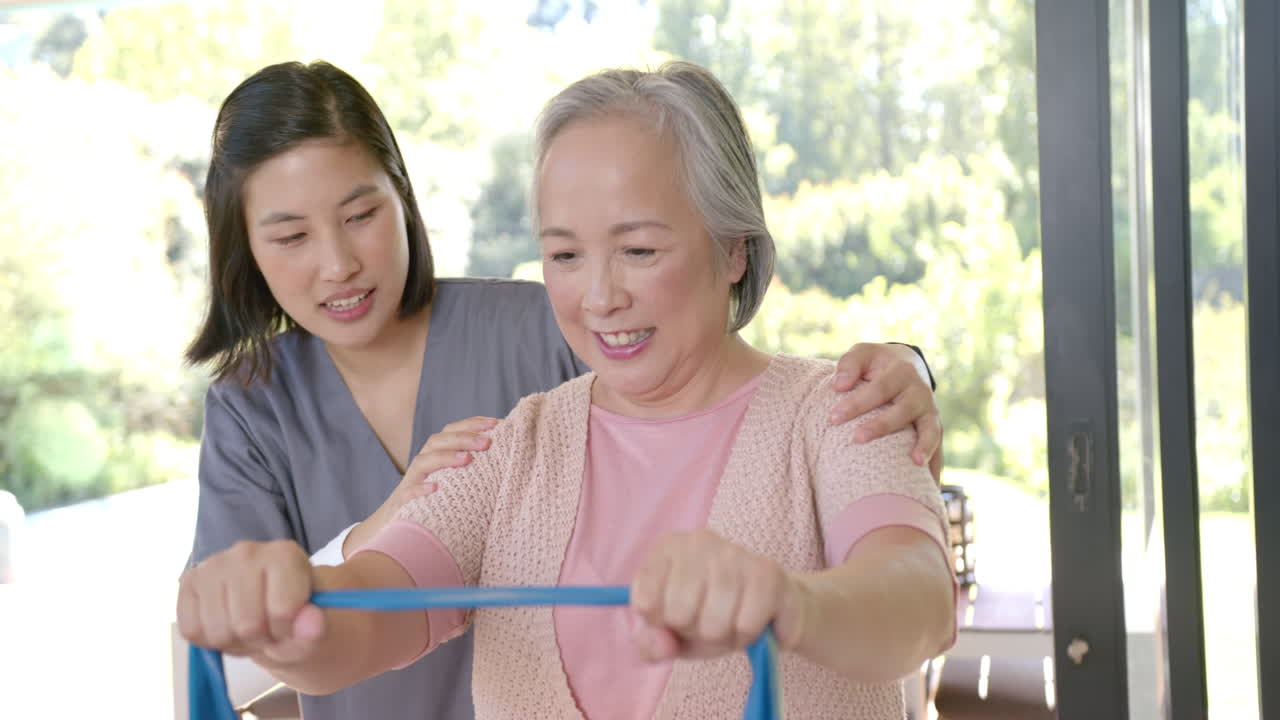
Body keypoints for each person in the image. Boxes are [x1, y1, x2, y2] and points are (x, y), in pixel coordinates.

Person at [179, 61, 954, 719]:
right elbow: (363, 617)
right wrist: (284, 609)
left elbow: (921, 601)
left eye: (639, 250)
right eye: (564, 256)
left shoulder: (846, 414)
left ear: (734, 250)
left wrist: (794, 604)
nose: (600, 298)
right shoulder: (509, 447)